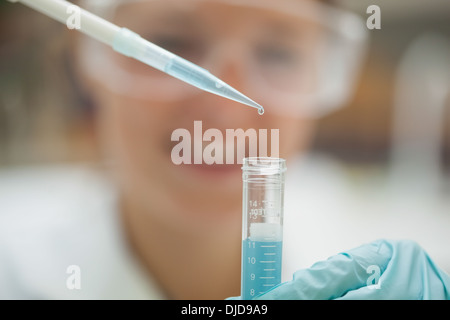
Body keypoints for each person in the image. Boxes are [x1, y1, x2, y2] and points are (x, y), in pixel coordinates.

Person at [0, 0, 449, 300]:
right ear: (89, 56)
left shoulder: (387, 264)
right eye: (171, 43)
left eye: (277, 53)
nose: (222, 111)